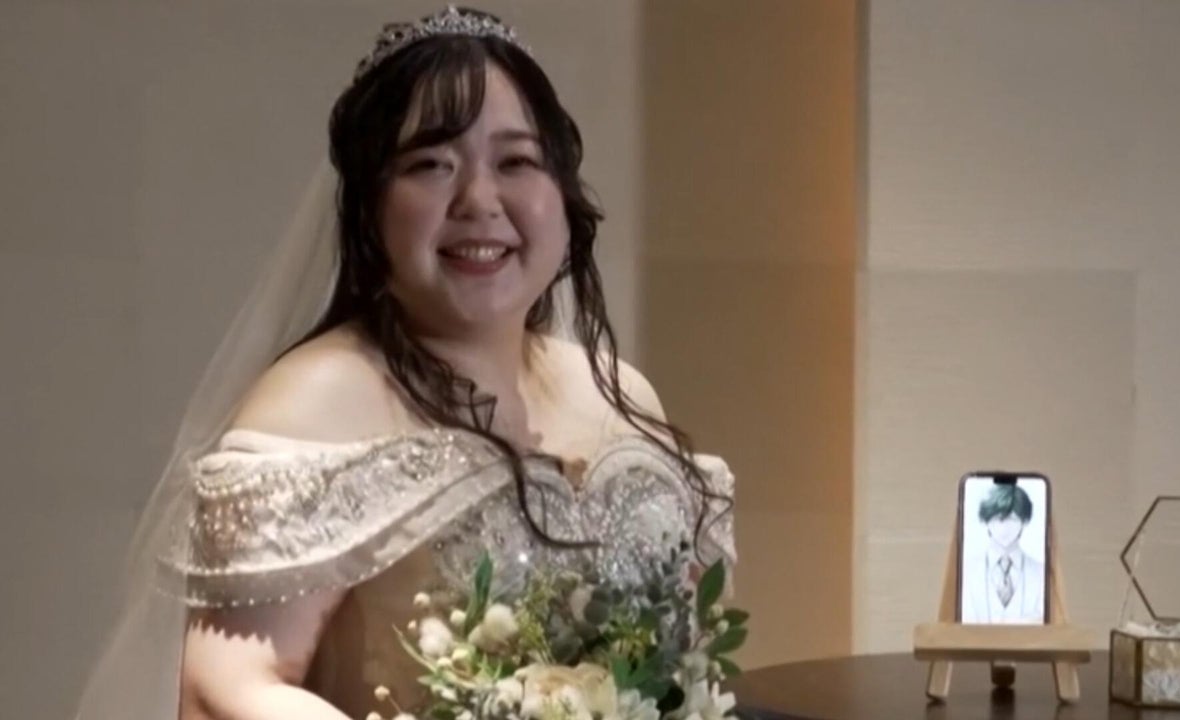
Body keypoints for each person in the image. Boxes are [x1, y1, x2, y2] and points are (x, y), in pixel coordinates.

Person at [72, 6, 735, 719]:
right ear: (371, 208)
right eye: (431, 165)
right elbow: (227, 686)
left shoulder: (618, 390)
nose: (480, 200)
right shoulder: (317, 399)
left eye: (515, 162)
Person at [960, 483, 1044, 624]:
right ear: (986, 521)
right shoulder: (965, 571)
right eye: (998, 519)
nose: (1005, 528)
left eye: (1012, 519)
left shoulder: (1042, 573)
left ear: (1024, 522)